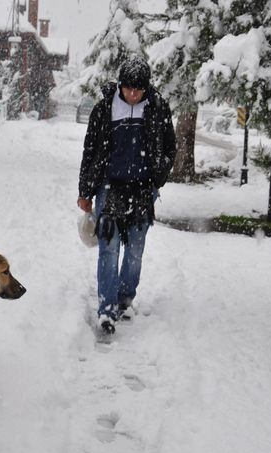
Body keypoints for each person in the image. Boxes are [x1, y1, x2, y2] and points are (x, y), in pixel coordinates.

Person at [77, 55, 177, 335]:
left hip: (144, 189)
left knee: (134, 250)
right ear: (120, 85)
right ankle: (106, 310)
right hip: (109, 187)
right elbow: (90, 151)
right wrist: (85, 190)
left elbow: (170, 147)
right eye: (129, 89)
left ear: (146, 88)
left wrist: (159, 175)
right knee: (109, 249)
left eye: (139, 89)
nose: (133, 94)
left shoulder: (157, 109)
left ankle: (124, 299)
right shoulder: (104, 110)